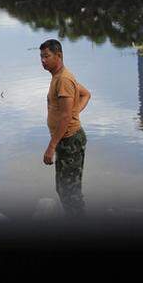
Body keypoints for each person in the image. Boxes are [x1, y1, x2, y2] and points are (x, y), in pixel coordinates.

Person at [40, 39, 92, 217]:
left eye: (47, 56)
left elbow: (65, 116)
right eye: (41, 57)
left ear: (59, 56)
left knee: (70, 193)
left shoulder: (63, 79)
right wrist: (74, 112)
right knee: (63, 189)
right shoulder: (59, 77)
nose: (43, 60)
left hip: (70, 141)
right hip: (65, 139)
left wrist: (51, 146)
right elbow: (85, 94)